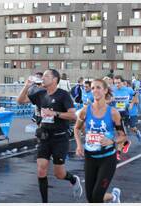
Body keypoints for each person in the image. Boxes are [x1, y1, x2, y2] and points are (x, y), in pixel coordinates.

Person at [17, 69, 82, 203]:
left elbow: (73, 115)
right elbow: (20, 101)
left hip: (60, 138)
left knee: (59, 174)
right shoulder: (40, 94)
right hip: (44, 137)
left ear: (54, 80)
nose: (43, 78)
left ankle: (73, 179)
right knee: (41, 170)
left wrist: (55, 114)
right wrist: (26, 86)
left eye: (46, 76)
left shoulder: (63, 95)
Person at [74, 79, 125, 203]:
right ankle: (113, 196)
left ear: (105, 90)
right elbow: (76, 128)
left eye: (98, 87)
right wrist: (79, 145)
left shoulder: (113, 113)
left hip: (107, 159)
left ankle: (112, 197)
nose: (95, 90)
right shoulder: (85, 111)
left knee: (96, 197)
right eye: (92, 88)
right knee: (90, 198)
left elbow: (123, 136)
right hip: (90, 158)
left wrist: (112, 141)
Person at [112, 75, 134, 158]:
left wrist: (131, 104)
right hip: (114, 115)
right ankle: (126, 142)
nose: (117, 84)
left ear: (123, 82)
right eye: (115, 83)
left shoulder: (128, 89)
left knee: (121, 134)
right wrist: (111, 100)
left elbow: (136, 95)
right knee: (117, 133)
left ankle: (117, 153)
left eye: (118, 83)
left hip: (124, 114)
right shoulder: (112, 90)